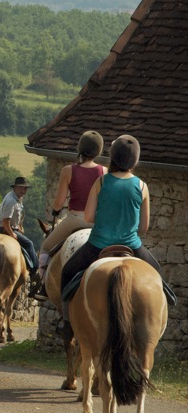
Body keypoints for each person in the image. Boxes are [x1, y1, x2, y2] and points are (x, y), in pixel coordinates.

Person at [58, 134, 161, 342]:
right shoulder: (142, 186)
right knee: (157, 274)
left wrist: (106, 220)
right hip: (131, 245)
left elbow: (88, 216)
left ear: (112, 157)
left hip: (98, 245)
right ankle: (157, 320)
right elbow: (143, 227)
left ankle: (66, 322)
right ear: (135, 160)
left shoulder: (102, 181)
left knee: (68, 272)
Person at [32, 131, 107, 301]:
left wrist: (56, 212)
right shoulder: (104, 171)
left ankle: (42, 285)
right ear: (99, 151)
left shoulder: (68, 170)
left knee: (45, 247)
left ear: (80, 148)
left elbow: (59, 202)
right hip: (97, 223)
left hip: (75, 219)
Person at [0, 176, 40, 294]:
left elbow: (17, 216)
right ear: (16, 188)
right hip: (3, 227)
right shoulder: (11, 201)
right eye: (22, 188)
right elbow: (5, 222)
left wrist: (19, 226)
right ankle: (35, 271)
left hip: (11, 226)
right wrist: (12, 234)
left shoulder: (18, 198)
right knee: (29, 243)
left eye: (26, 189)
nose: (24, 191)